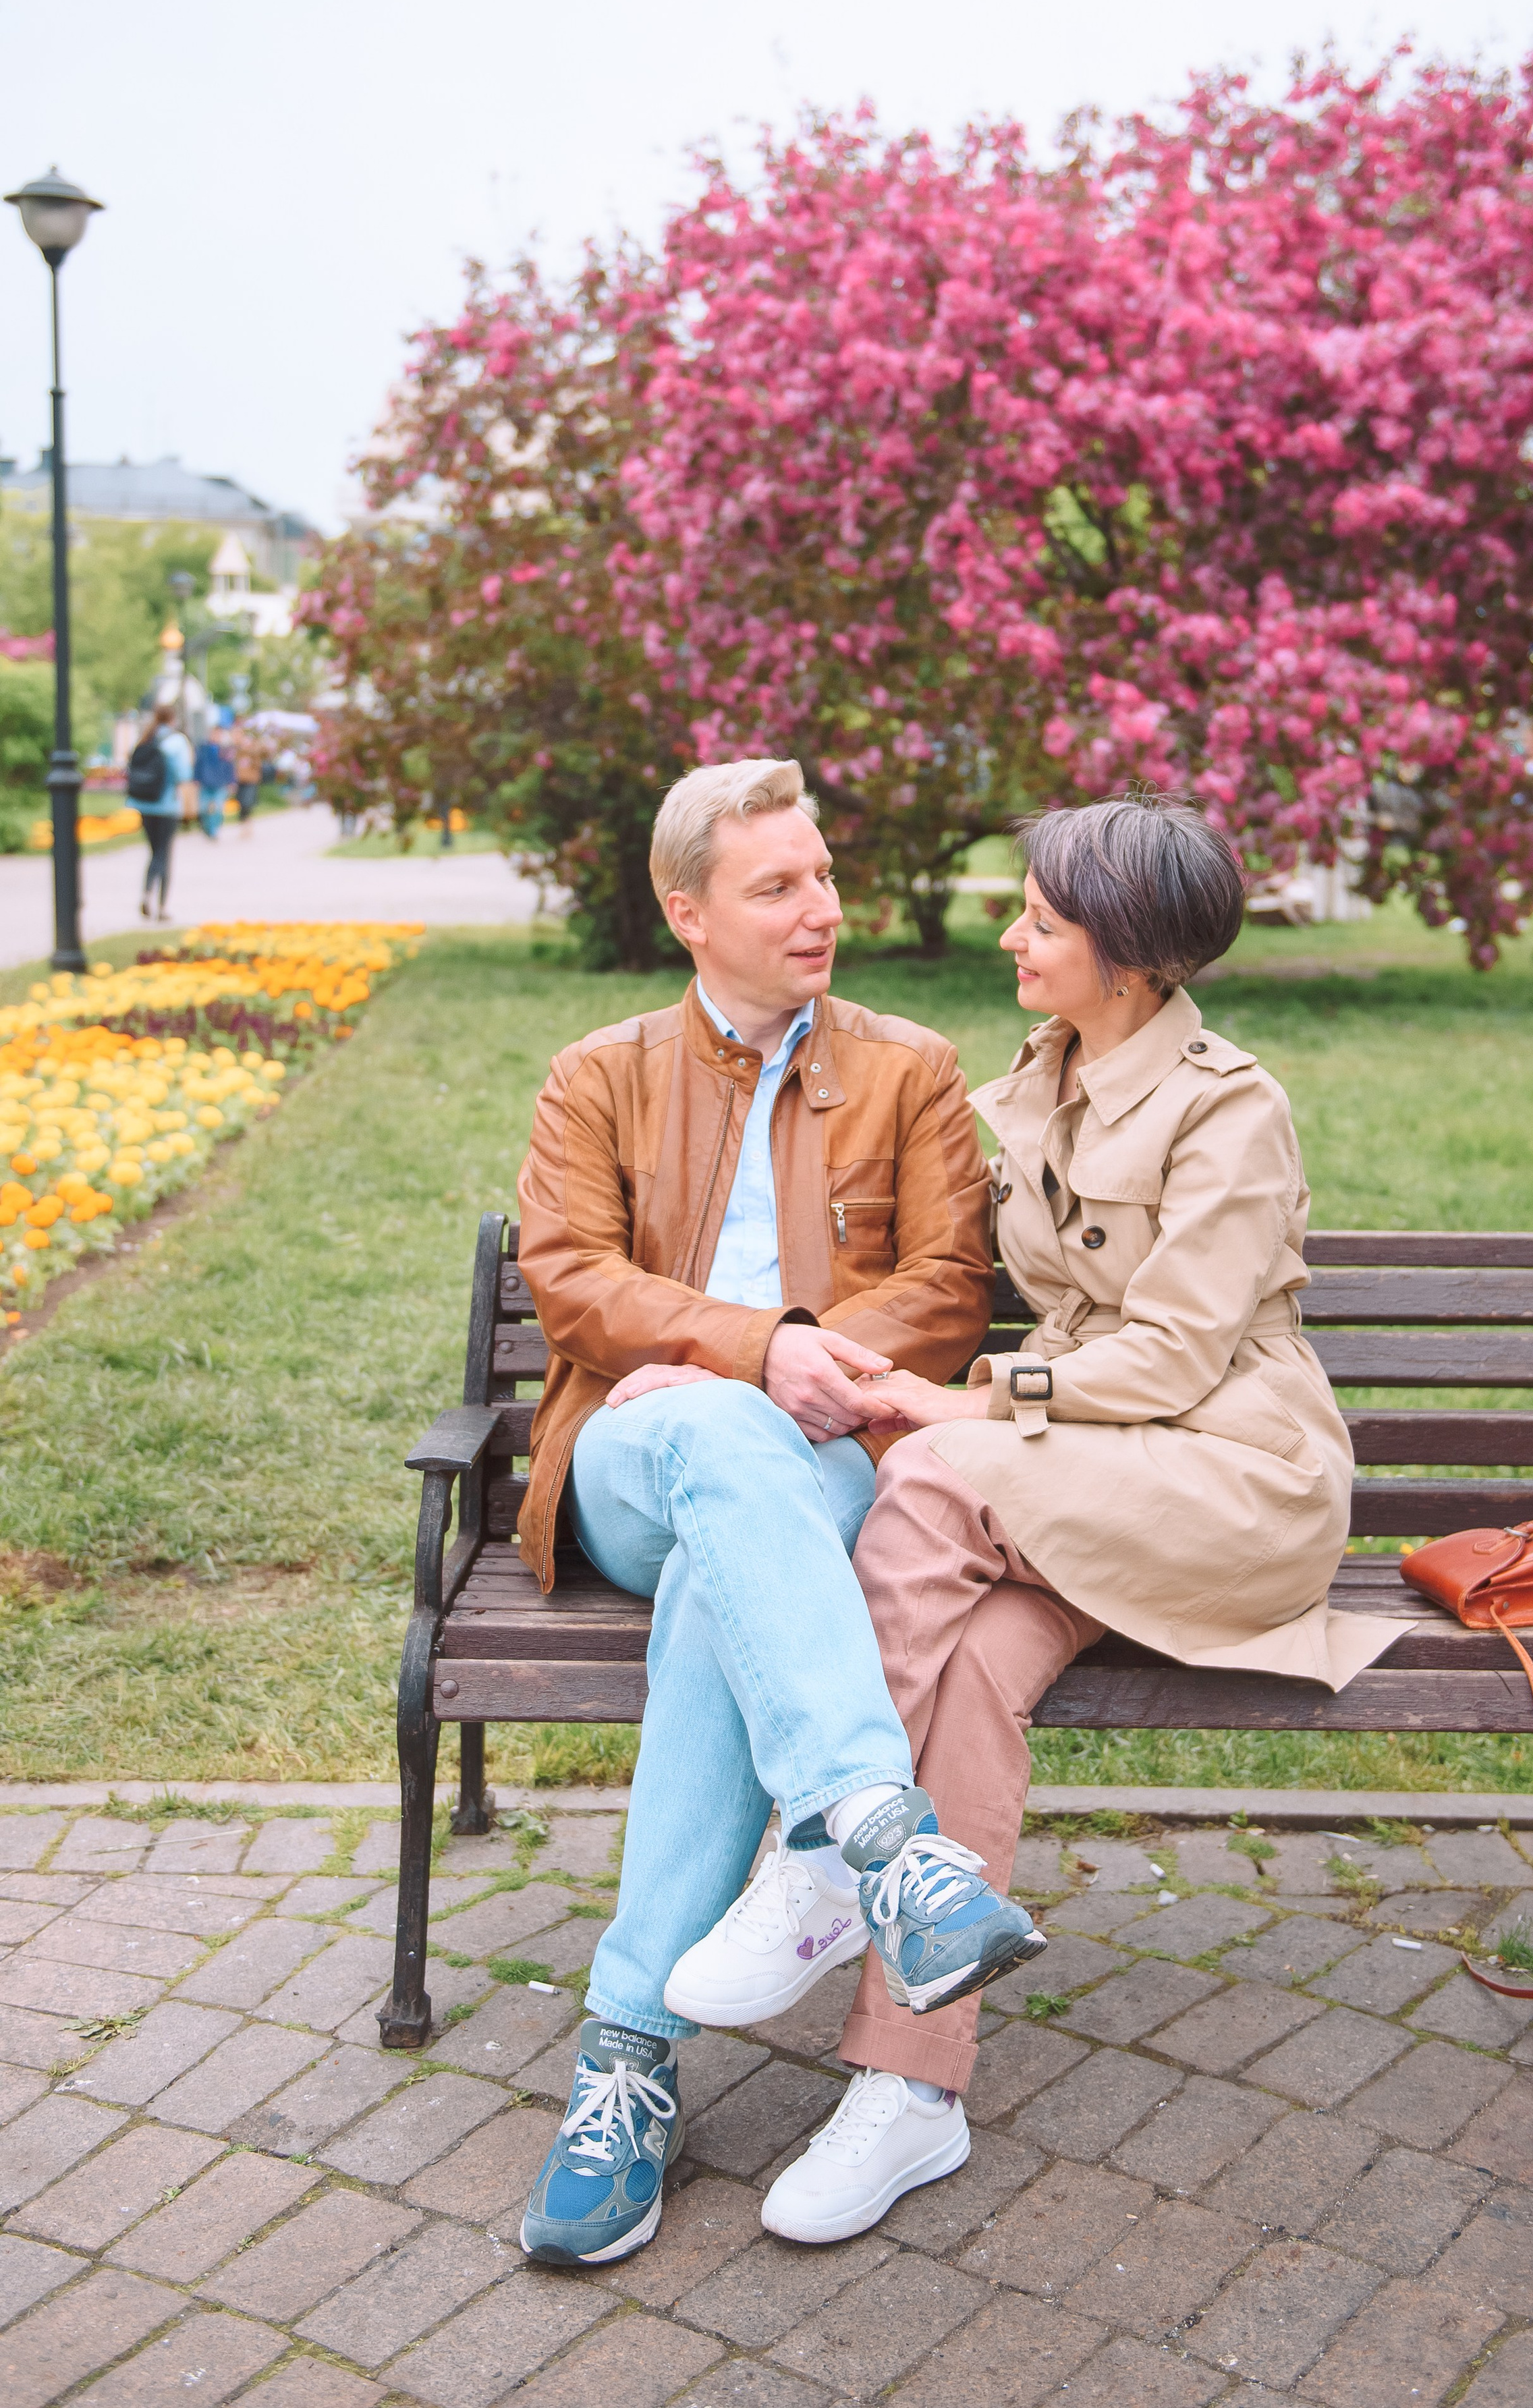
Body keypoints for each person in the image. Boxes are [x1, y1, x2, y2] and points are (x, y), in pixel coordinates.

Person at [702, 795, 1414, 2245]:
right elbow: (931, 1238)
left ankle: (829, 1857)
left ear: (1129, 957)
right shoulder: (1040, 1072)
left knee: (931, 1474)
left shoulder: (1228, 1108)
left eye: (1039, 918)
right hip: (1091, 1489)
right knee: (966, 1676)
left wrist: (964, 1402)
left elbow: (1167, 1359)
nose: (1008, 932)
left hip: (1225, 1482)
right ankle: (912, 2090)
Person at [512, 758, 1041, 2270]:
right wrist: (749, 1352)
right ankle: (885, 1838)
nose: (821, 907)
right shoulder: (597, 1072)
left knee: (723, 1572)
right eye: (778, 885)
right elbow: (570, 1277)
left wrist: (803, 1375)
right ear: (689, 913)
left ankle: (625, 2049)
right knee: (715, 1444)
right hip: (630, 1455)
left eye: (820, 874)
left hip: (820, 1457)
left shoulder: (908, 1069)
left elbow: (947, 1282)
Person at [127, 704, 192, 922]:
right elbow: (184, 774)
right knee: (164, 854)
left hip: (144, 803)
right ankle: (162, 906)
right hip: (166, 805)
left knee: (154, 852)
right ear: (173, 718)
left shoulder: (147, 738)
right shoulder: (176, 742)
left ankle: (146, 893)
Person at [193, 726, 235, 839]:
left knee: (218, 808)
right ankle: (207, 828)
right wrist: (196, 779)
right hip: (205, 782)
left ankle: (214, 830)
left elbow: (230, 766)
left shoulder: (225, 749)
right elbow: (198, 764)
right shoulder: (203, 748)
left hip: (220, 782)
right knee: (204, 808)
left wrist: (232, 782)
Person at [233, 733, 262, 836]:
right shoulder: (238, 754)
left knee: (247, 803)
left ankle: (247, 824)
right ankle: (243, 826)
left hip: (250, 781)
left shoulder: (254, 755)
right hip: (240, 781)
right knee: (241, 804)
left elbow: (258, 766)